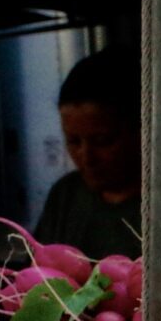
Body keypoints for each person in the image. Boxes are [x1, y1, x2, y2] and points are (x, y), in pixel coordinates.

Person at [34, 44, 142, 259]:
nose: (86, 157)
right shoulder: (66, 195)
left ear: (140, 132)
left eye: (103, 141)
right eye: (73, 141)